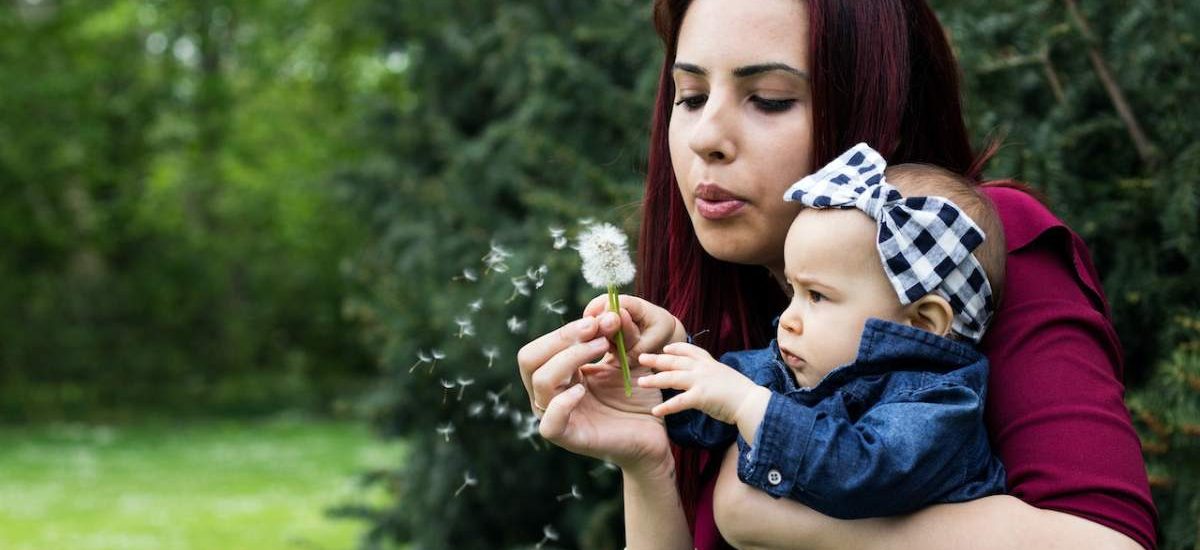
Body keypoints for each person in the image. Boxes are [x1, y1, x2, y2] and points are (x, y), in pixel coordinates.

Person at [517, 0, 1157, 548]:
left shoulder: (970, 245)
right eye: (690, 96)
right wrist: (647, 456)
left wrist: (762, 511)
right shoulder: (735, 315)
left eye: (768, 99)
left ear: (877, 101)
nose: (704, 136)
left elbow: (1107, 541)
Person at [637, 143, 1008, 520]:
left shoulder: (941, 404)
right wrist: (657, 363)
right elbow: (713, 398)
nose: (787, 320)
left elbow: (860, 473)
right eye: (793, 292)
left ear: (924, 323)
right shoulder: (797, 367)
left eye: (816, 296)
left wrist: (750, 406)